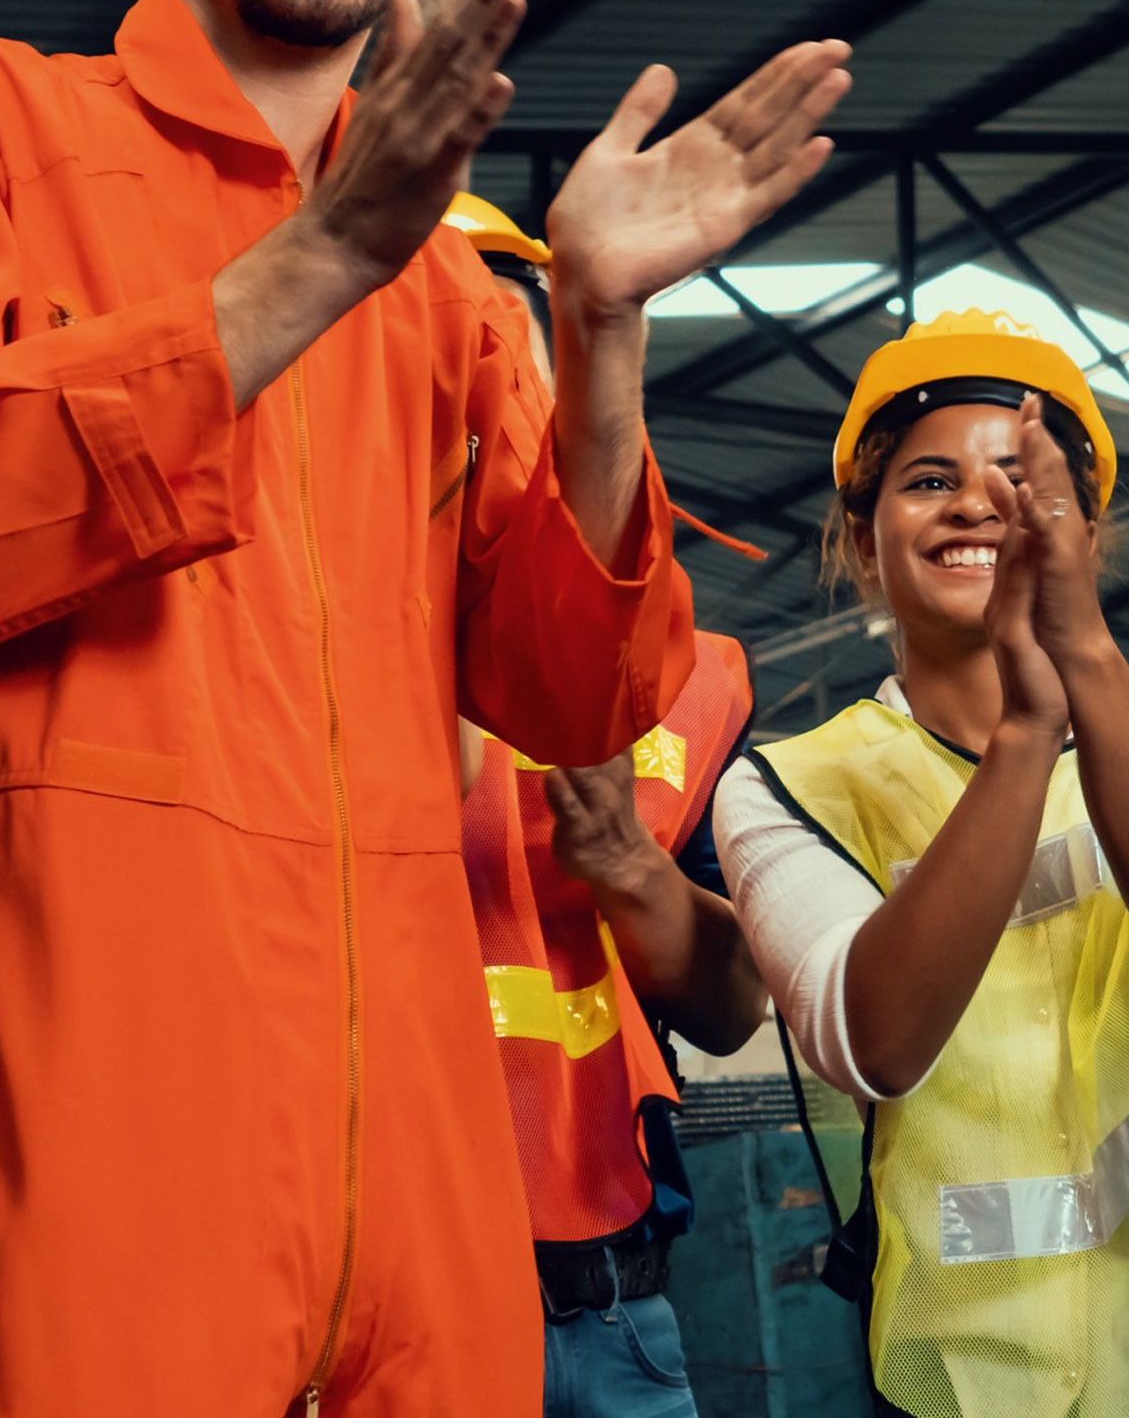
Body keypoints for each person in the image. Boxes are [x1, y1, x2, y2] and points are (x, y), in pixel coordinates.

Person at [0, 0, 852, 1418]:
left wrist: (595, 331)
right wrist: (321, 256)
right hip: (81, 1128)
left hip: (421, 1174)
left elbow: (577, 698)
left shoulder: (454, 297)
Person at [711, 310, 1129, 1418]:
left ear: (1086, 532)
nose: (975, 503)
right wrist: (1026, 734)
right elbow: (871, 1039)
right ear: (860, 536)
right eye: (927, 481)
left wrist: (1082, 661)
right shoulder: (785, 783)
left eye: (1020, 481)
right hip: (961, 1379)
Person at [446, 194, 766, 1418]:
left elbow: (733, 1004)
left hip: (622, 1311)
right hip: (403, 1308)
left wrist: (631, 866)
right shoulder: (292, 671)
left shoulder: (688, 685)